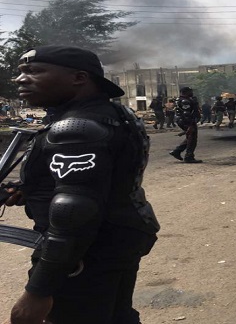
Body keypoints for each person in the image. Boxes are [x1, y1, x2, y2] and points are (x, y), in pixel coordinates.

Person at [6, 45, 159, 323]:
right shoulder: (112, 113)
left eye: (34, 71)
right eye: (20, 73)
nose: (20, 79)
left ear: (79, 78)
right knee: (115, 315)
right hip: (117, 238)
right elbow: (102, 180)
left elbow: (72, 213)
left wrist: (38, 292)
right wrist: (31, 190)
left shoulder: (76, 126)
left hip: (85, 252)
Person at [170, 87, 202, 163]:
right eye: (190, 91)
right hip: (187, 121)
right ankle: (189, 156)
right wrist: (190, 125)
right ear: (186, 92)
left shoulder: (183, 99)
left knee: (190, 137)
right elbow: (186, 114)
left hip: (184, 120)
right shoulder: (185, 101)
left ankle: (177, 151)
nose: (192, 93)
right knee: (192, 139)